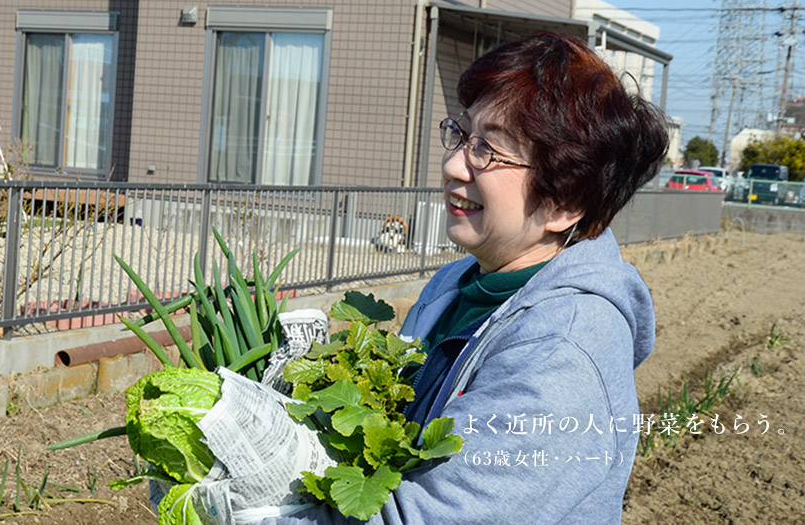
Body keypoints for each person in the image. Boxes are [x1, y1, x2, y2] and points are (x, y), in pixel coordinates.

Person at [261, 32, 669, 523]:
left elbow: (427, 515)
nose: (454, 164)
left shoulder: (563, 348)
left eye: (490, 151)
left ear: (566, 202)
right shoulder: (455, 284)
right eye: (463, 134)